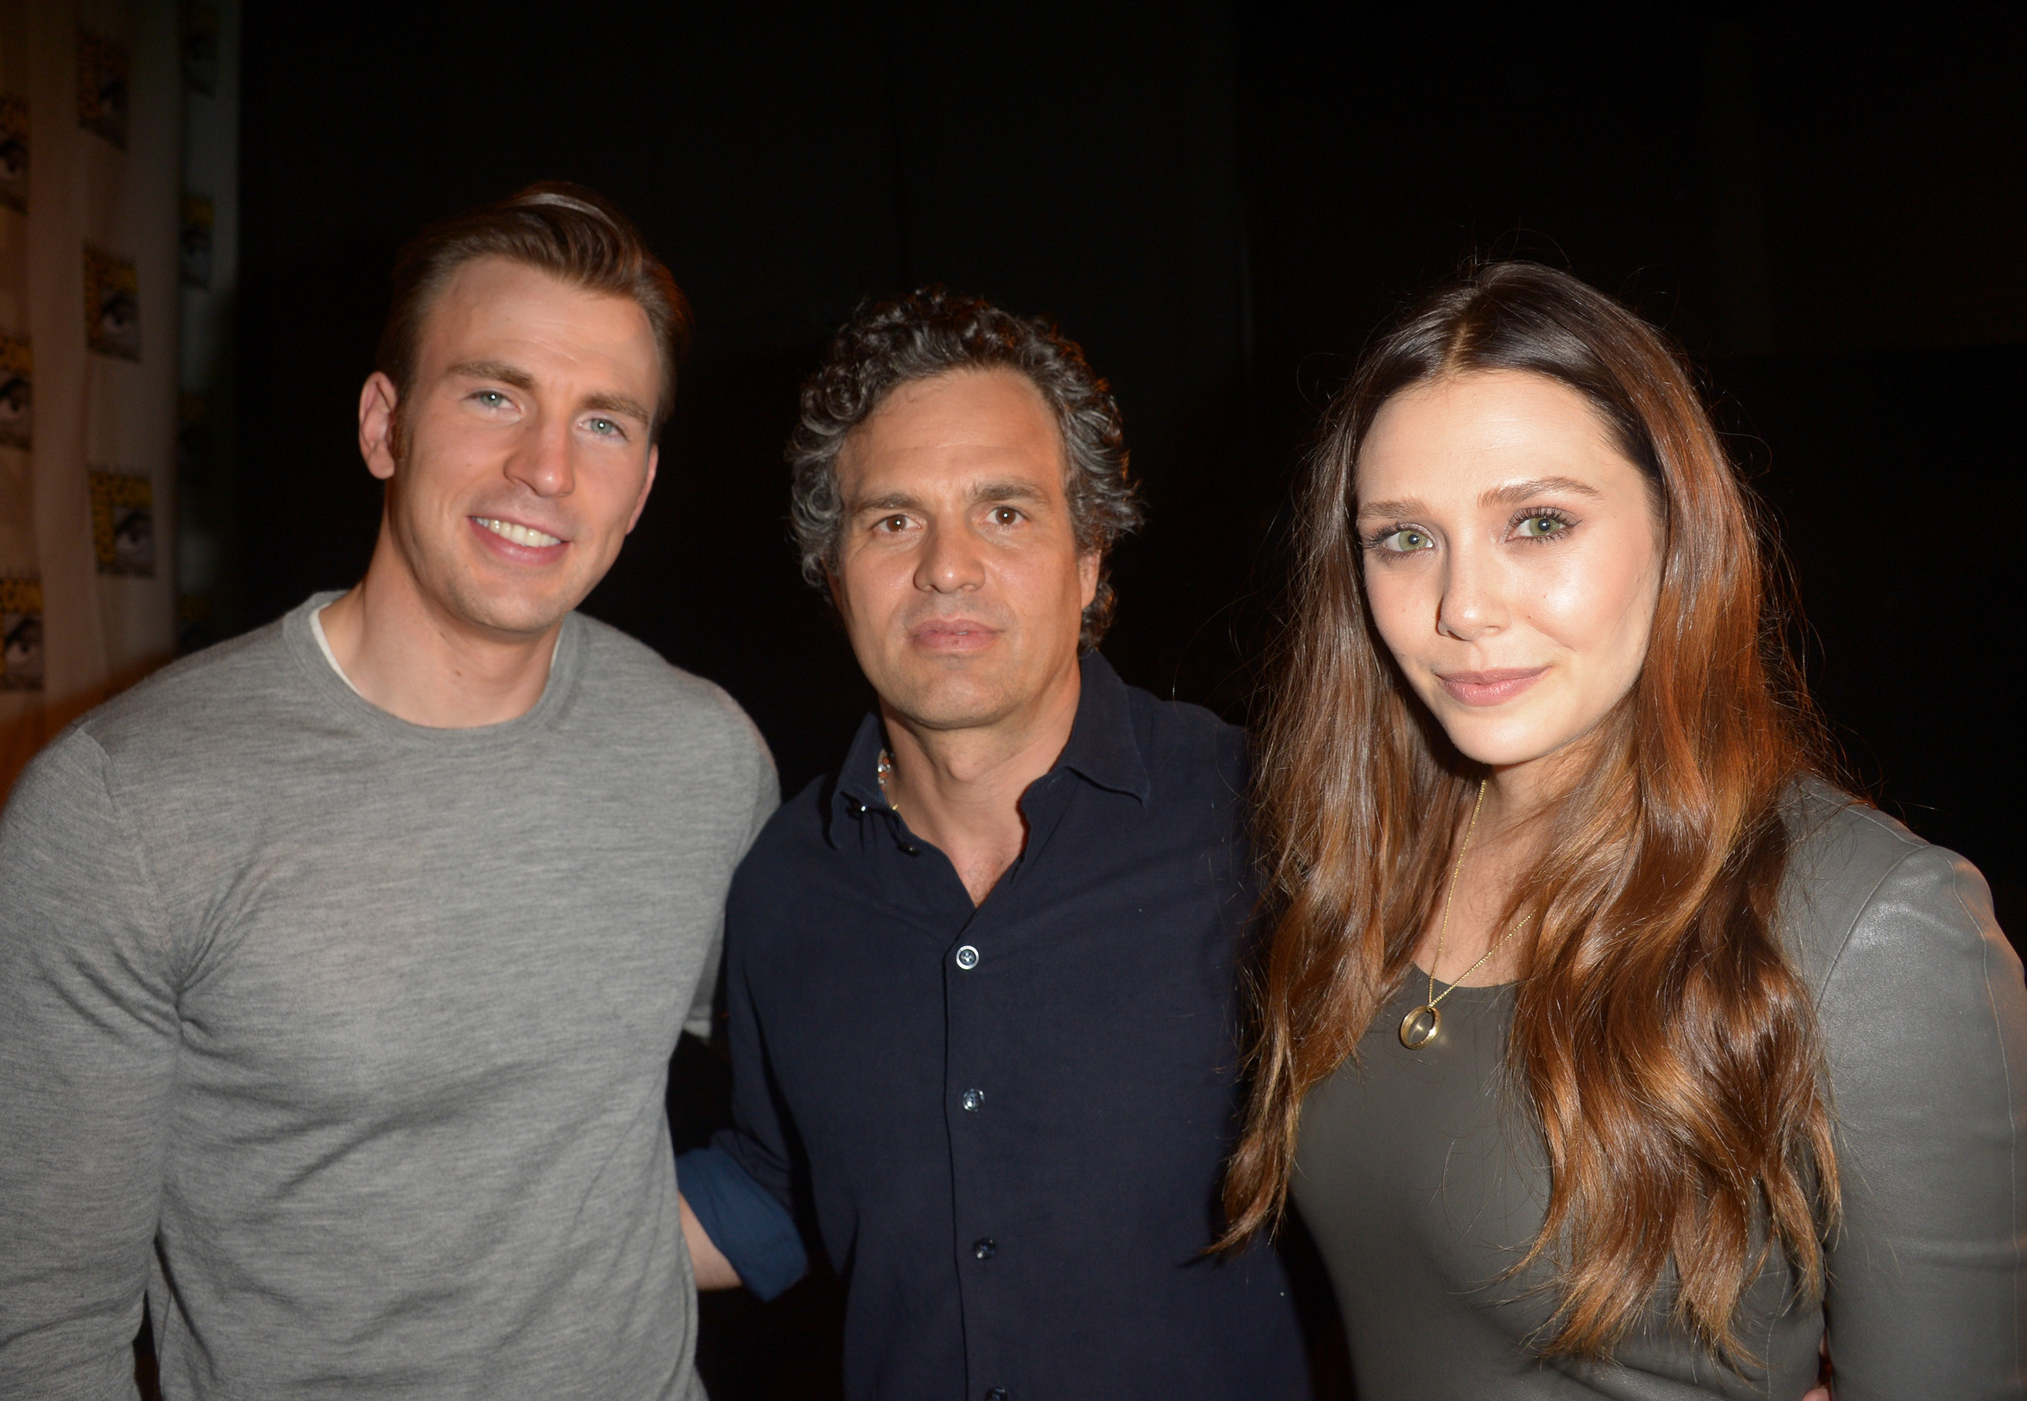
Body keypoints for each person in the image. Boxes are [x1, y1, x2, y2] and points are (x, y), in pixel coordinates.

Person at [0, 184, 776, 1399]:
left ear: (645, 484)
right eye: (494, 394)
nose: (546, 468)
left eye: (603, 423)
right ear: (382, 425)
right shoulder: (123, 805)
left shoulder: (703, 755)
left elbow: (836, 1085)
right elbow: (39, 1329)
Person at [1221, 261, 2027, 1398]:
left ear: (1675, 529)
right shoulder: (1371, 861)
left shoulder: (1874, 927)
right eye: (1402, 538)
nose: (1461, 607)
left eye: (1536, 523)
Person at [675, 289, 1314, 1400]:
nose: (946, 566)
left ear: (1088, 561)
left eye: (1004, 512)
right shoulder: (780, 887)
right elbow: (781, 1186)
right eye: (891, 520)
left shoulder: (1263, 819)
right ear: (833, 575)